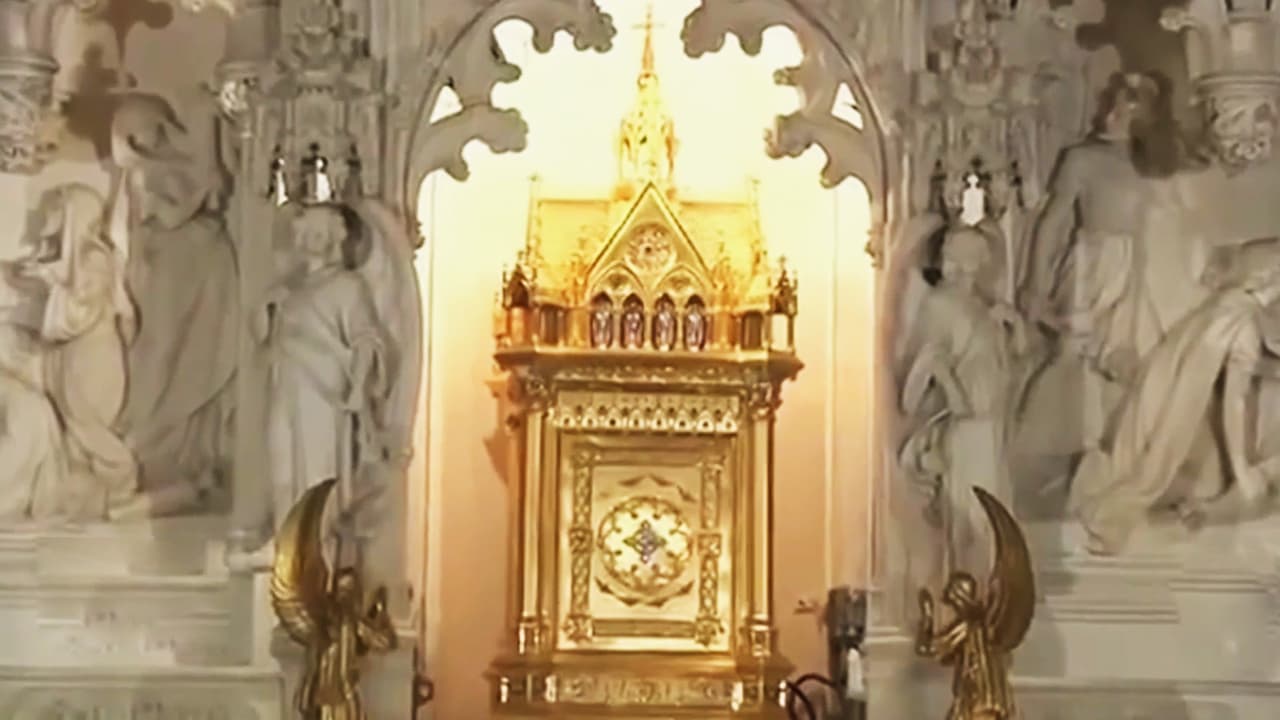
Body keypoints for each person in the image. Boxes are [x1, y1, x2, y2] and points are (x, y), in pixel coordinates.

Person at [1072, 240, 1280, 555]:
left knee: (1206, 483)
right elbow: (1234, 404)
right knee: (1186, 485)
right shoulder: (1243, 324)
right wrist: (1243, 470)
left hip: (1157, 403)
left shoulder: (1226, 306)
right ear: (1268, 277)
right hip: (1173, 421)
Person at [256, 203, 389, 529]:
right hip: (287, 384)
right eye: (305, 234)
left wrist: (358, 389)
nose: (308, 241)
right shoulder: (291, 291)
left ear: (335, 238)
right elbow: (265, 340)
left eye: (317, 234)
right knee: (282, 469)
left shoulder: (347, 285)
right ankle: (285, 539)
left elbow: (366, 339)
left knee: (315, 473)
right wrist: (267, 309)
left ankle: (315, 544)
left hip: (322, 391)